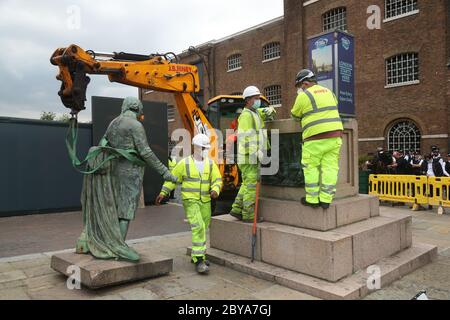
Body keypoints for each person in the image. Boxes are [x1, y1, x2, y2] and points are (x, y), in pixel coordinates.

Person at [77, 97, 177, 261]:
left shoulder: (114, 123)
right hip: (130, 173)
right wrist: (165, 172)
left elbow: (104, 143)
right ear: (137, 108)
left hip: (112, 171)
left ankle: (102, 242)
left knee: (113, 208)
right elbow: (145, 152)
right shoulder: (135, 125)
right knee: (126, 211)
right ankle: (118, 247)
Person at [156, 133, 222, 274]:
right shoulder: (184, 163)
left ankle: (199, 255)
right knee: (197, 226)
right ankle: (199, 260)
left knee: (203, 227)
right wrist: (163, 192)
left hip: (205, 201)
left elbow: (217, 179)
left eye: (206, 147)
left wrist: (215, 190)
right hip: (190, 200)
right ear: (196, 147)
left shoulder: (210, 164)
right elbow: (172, 179)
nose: (205, 149)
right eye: (203, 147)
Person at [290, 69, 343, 209]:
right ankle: (326, 200)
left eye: (301, 86)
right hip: (335, 136)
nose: (300, 89)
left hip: (314, 137)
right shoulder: (329, 92)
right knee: (330, 168)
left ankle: (312, 200)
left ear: (306, 83)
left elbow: (295, 115)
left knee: (311, 167)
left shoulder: (304, 95)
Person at [229, 86, 274, 222]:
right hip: (249, 156)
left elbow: (265, 112)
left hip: (250, 156)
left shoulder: (254, 113)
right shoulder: (246, 116)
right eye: (256, 98)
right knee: (251, 186)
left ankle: (236, 209)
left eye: (258, 98)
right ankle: (248, 215)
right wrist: (256, 152)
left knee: (246, 184)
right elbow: (244, 137)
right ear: (248, 100)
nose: (258, 100)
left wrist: (271, 110)